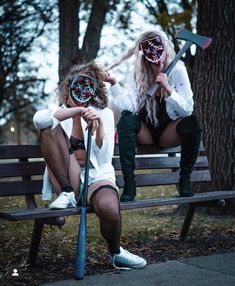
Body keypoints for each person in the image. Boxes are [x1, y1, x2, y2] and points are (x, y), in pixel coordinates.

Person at [33, 61, 147, 270]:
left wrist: (99, 126)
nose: (80, 91)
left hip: (97, 177)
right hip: (67, 179)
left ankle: (116, 252)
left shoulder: (104, 114)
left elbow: (103, 157)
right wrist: (75, 112)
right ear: (68, 89)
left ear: (93, 89)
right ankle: (67, 194)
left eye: (87, 86)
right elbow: (40, 120)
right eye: (75, 86)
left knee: (110, 209)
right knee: (47, 127)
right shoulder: (57, 113)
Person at [103, 30, 202, 202]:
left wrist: (168, 89)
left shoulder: (177, 69)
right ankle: (129, 183)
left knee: (191, 123)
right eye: (150, 51)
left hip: (168, 133)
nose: (156, 55)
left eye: (158, 48)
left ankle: (185, 180)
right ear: (143, 53)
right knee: (127, 119)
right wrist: (114, 84)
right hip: (146, 132)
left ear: (165, 47)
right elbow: (129, 107)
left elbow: (187, 109)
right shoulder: (139, 73)